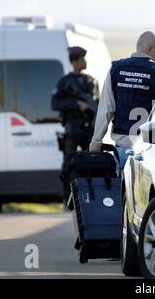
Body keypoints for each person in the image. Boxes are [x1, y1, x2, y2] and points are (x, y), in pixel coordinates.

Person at [89, 31, 155, 168]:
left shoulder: (116, 69)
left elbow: (106, 108)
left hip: (121, 149)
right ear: (149, 49)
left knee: (121, 188)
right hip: (147, 151)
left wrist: (96, 140)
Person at [51, 46, 99, 203]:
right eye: (81, 59)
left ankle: (91, 197)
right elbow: (55, 104)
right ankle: (68, 198)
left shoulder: (91, 81)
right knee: (69, 164)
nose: (85, 62)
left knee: (91, 163)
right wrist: (76, 105)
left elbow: (98, 102)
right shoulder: (65, 82)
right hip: (73, 128)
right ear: (74, 61)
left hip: (89, 128)